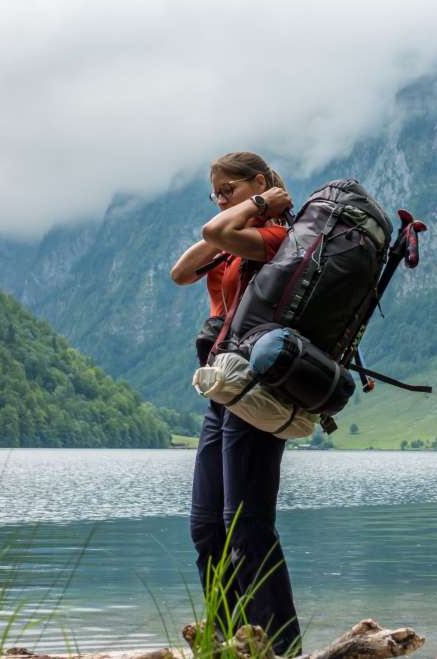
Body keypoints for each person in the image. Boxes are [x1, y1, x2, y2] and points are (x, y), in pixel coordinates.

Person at [170, 152, 301, 656]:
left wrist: (262, 204)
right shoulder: (230, 243)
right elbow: (182, 271)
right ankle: (229, 644)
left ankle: (283, 648)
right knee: (207, 526)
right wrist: (242, 206)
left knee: (247, 525)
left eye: (229, 189)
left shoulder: (278, 241)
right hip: (223, 390)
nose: (222, 198)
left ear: (260, 182)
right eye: (216, 193)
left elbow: (215, 231)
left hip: (257, 392)